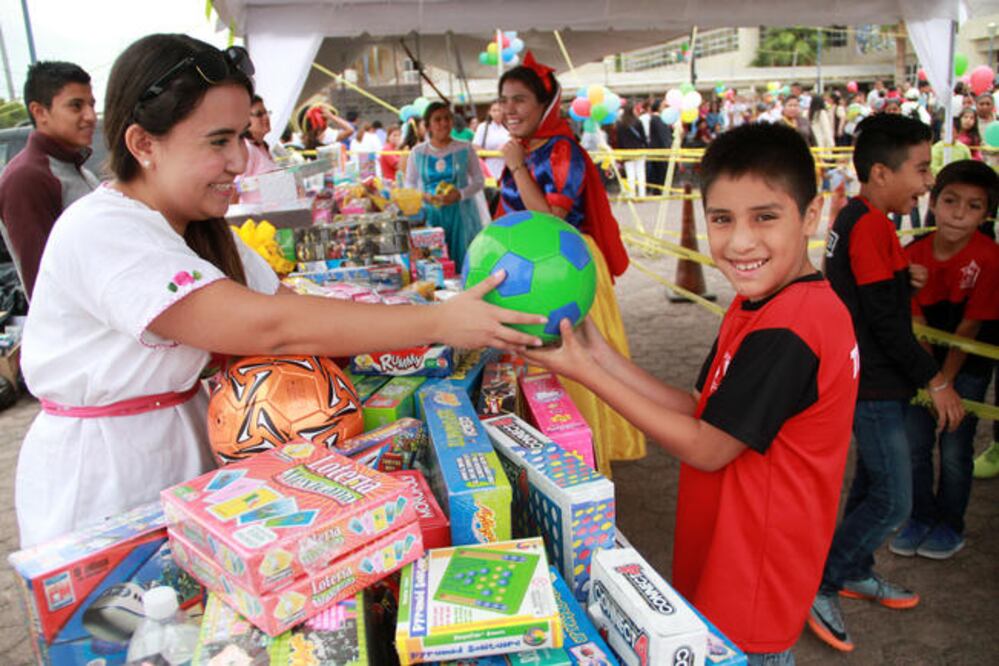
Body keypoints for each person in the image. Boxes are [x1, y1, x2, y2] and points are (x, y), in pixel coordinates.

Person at [14, 34, 544, 548]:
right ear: (143, 144)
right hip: (107, 475)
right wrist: (436, 321)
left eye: (242, 137)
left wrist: (440, 326)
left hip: (184, 443)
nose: (241, 161)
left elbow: (288, 308)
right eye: (218, 140)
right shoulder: (102, 229)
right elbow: (272, 327)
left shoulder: (199, 229)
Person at [523, 123, 858, 664]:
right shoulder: (761, 304)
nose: (740, 241)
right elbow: (699, 407)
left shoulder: (795, 326)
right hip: (732, 563)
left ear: (812, 215)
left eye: (765, 217)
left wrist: (585, 372)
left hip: (754, 581)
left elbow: (706, 445)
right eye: (722, 220)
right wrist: (599, 350)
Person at [810, 113, 964, 653]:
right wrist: (936, 381)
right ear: (880, 172)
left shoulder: (858, 217)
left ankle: (852, 571)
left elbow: (869, 290)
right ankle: (823, 582)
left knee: (873, 487)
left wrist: (904, 274)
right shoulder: (870, 224)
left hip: (871, 378)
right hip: (873, 383)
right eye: (920, 170)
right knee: (896, 501)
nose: (927, 182)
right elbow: (883, 321)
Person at [495, 52, 644, 475]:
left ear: (546, 105)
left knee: (574, 367)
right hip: (529, 271)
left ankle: (580, 469)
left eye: (520, 99)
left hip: (565, 268)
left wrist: (517, 168)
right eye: (504, 99)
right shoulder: (524, 150)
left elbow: (548, 223)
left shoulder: (563, 153)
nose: (509, 109)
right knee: (537, 367)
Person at [890, 160, 999, 560]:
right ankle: (919, 516)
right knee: (914, 444)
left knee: (955, 450)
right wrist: (931, 380)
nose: (958, 213)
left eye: (973, 206)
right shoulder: (912, 255)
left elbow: (970, 330)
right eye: (950, 200)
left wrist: (946, 384)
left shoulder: (991, 259)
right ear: (932, 203)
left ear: (987, 215)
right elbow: (917, 323)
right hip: (922, 367)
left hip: (966, 369)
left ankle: (950, 524)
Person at [0, 61, 98, 299]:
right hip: (74, 330)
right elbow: (41, 279)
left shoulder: (76, 169)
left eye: (91, 105)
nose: (91, 116)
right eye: (76, 106)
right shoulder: (27, 177)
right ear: (40, 112)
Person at [403, 102, 486, 271]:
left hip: (462, 215)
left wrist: (460, 194)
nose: (443, 123)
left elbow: (479, 181)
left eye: (447, 118)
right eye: (437, 119)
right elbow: (409, 184)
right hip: (431, 215)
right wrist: (424, 196)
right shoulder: (418, 152)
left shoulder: (465, 148)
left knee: (462, 261)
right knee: (434, 263)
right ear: (428, 126)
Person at [235, 95, 277, 203]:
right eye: (259, 114)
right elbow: (233, 189)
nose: (266, 117)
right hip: (253, 218)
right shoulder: (247, 149)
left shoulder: (262, 146)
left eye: (266, 112)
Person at [614, 100, 648, 197]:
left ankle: (631, 194)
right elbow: (643, 137)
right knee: (641, 173)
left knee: (630, 175)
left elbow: (619, 140)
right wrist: (646, 147)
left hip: (627, 152)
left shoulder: (620, 124)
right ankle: (642, 194)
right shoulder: (638, 122)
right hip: (639, 150)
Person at [473, 100, 510, 180]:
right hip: (488, 170)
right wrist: (495, 153)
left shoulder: (510, 127)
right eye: (494, 110)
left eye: (499, 110)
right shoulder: (483, 127)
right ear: (489, 112)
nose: (497, 113)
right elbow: (475, 147)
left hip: (507, 170)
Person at [645, 98, 672, 190]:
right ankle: (661, 189)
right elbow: (662, 136)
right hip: (660, 149)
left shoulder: (656, 119)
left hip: (657, 148)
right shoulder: (657, 119)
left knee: (659, 171)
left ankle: (659, 189)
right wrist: (667, 147)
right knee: (661, 171)